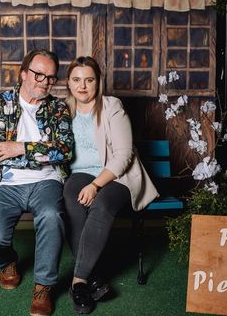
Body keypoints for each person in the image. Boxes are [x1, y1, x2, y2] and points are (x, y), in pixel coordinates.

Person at [0, 49, 74, 316]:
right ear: (23, 74)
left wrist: (18, 148)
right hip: (7, 183)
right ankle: (7, 262)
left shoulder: (59, 108)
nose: (45, 81)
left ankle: (43, 287)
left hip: (47, 181)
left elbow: (64, 151)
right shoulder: (1, 103)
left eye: (51, 77)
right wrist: (42, 151)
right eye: (39, 74)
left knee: (51, 216)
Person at [63, 56, 159, 314]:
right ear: (68, 83)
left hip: (117, 175)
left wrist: (96, 186)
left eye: (89, 80)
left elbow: (123, 155)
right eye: (76, 80)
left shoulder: (111, 106)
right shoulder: (63, 109)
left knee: (103, 204)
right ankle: (94, 277)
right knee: (72, 196)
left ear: (98, 82)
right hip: (79, 174)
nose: (82, 86)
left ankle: (79, 281)